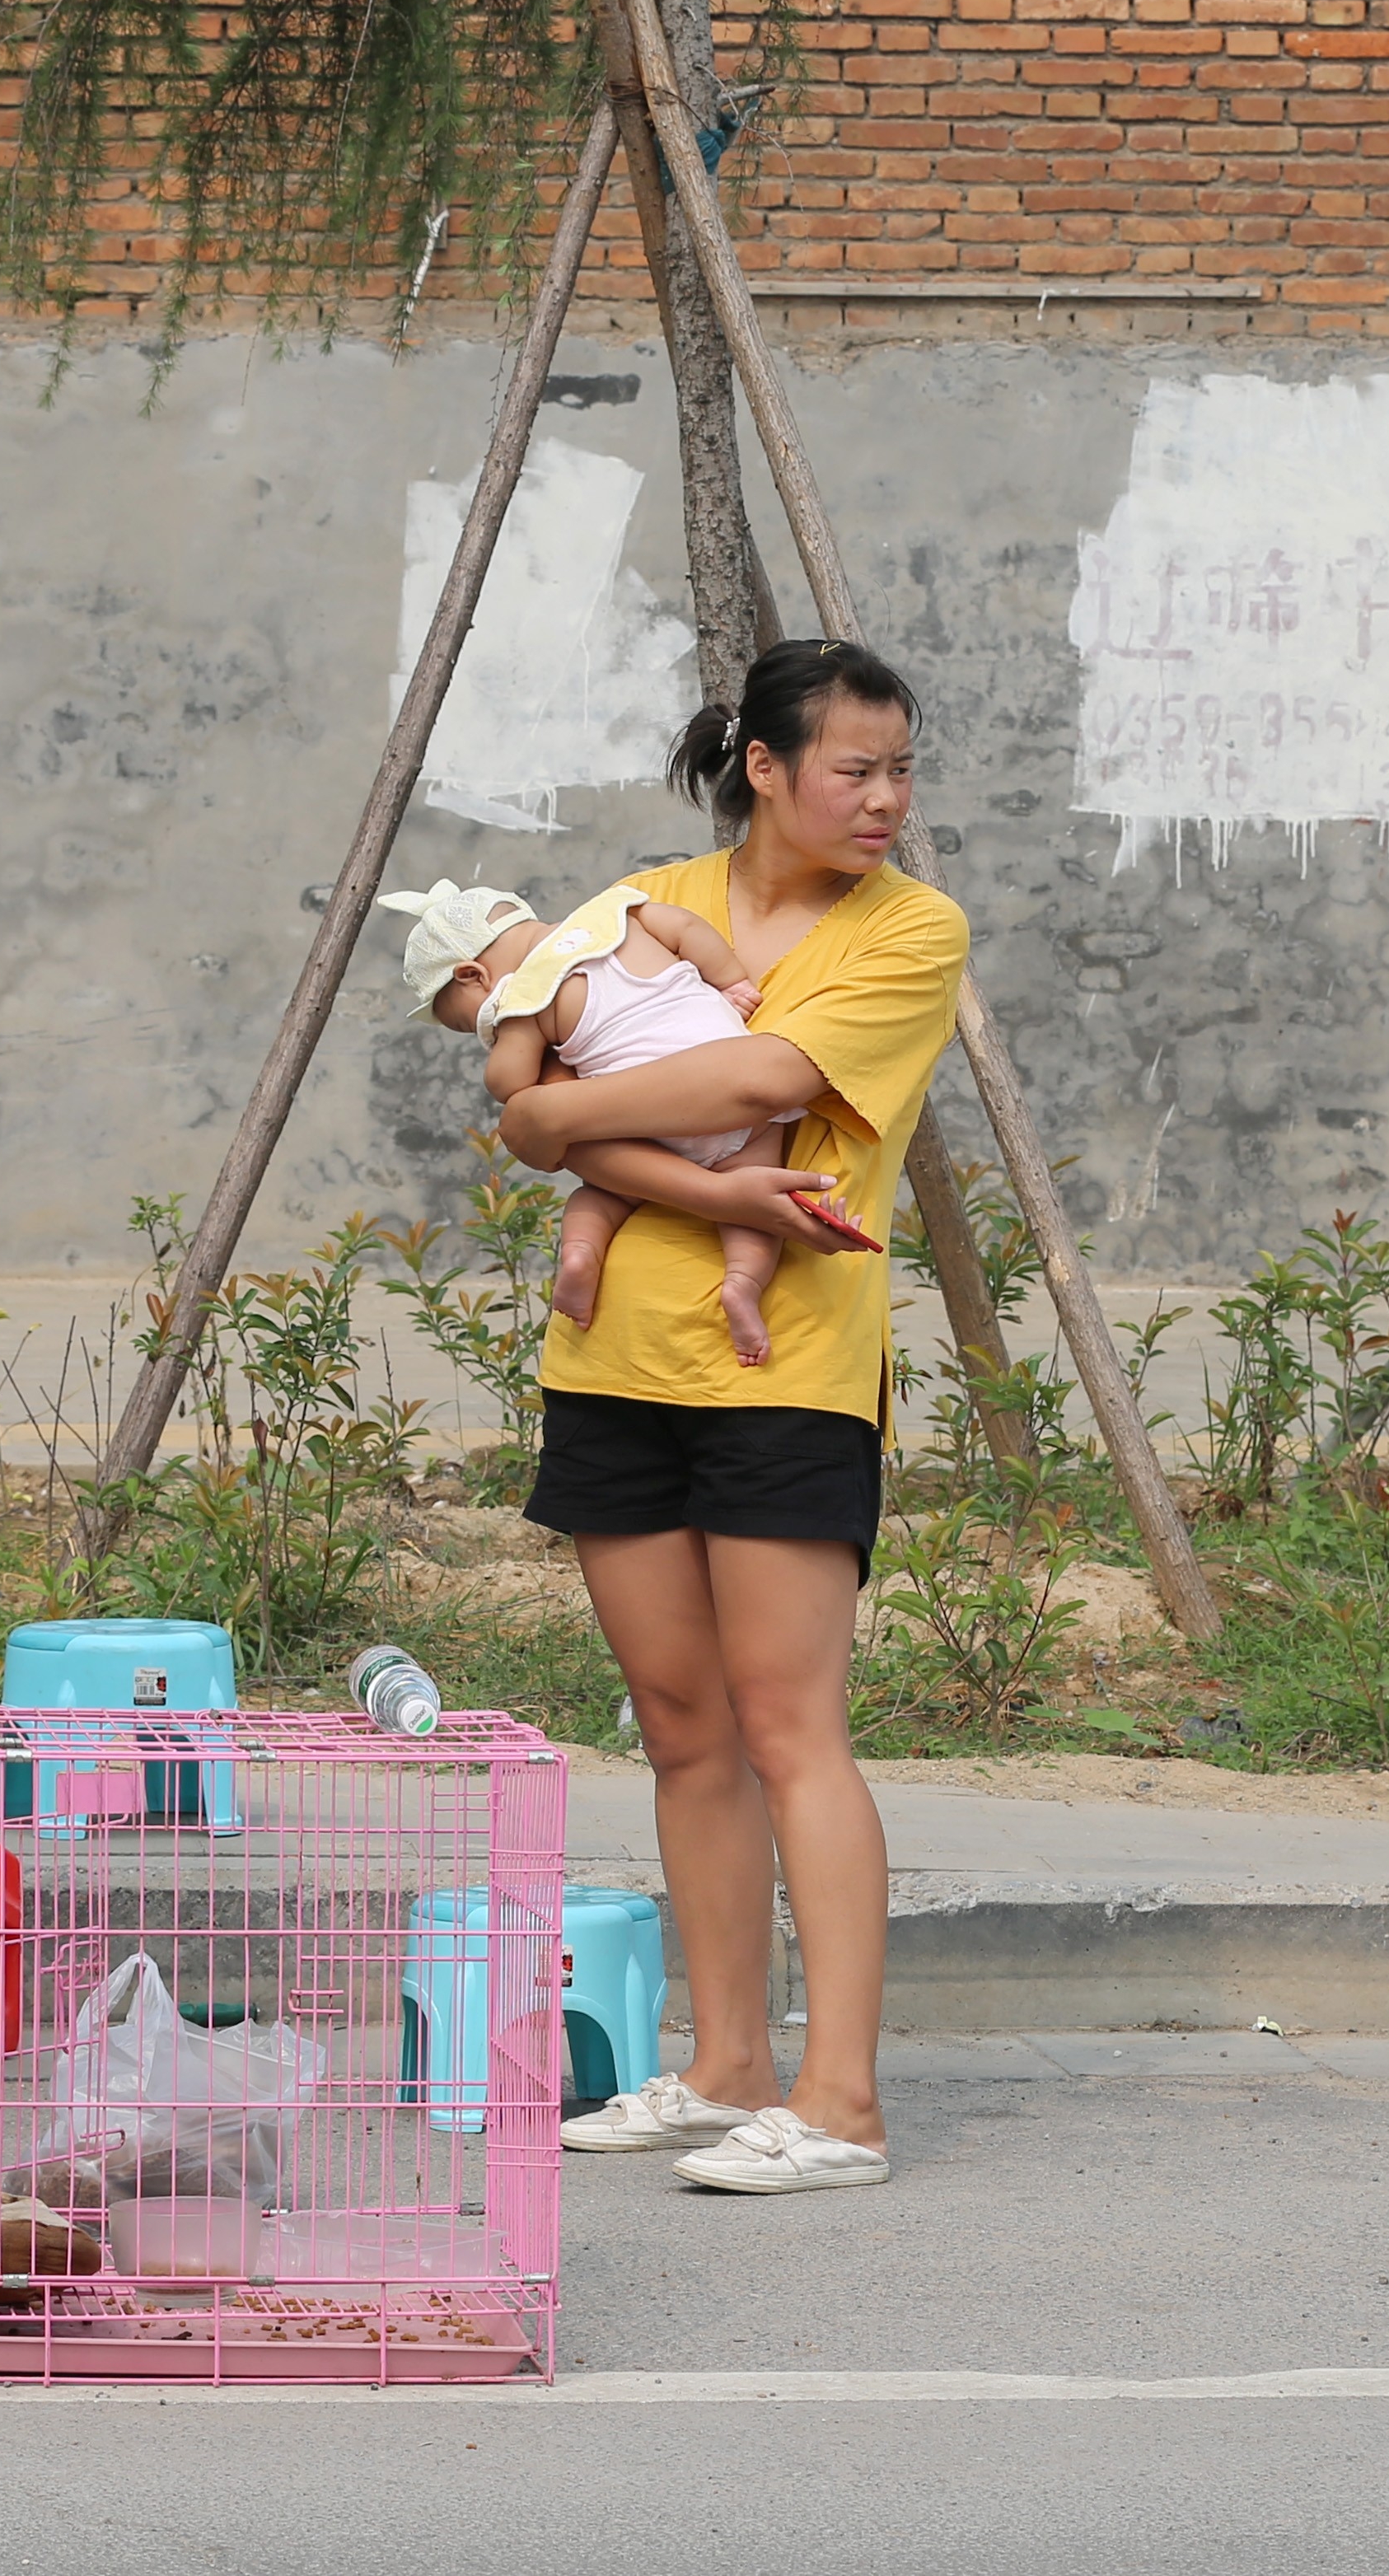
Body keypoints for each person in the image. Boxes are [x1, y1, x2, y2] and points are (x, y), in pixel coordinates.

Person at [496, 638, 965, 2195]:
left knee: (788, 1725)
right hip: (614, 1361)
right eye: (856, 767)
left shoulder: (911, 931)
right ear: (764, 765)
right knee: (685, 1729)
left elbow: (748, 1072)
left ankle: (841, 2102)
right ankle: (724, 2064)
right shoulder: (647, 897)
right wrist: (581, 1122)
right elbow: (538, 1059)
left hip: (788, 1376)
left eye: (901, 767)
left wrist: (562, 1114)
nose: (887, 797)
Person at [378, 877, 883, 1367]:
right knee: (749, 1201)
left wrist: (502, 1035)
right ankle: (742, 1286)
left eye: (469, 1020)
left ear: (474, 975)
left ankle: (579, 1254)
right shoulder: (618, 913)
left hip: (652, 1131)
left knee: (601, 1194)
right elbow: (688, 929)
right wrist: (729, 981)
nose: (479, 1027)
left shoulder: (524, 1000)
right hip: (736, 1106)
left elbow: (509, 1084)